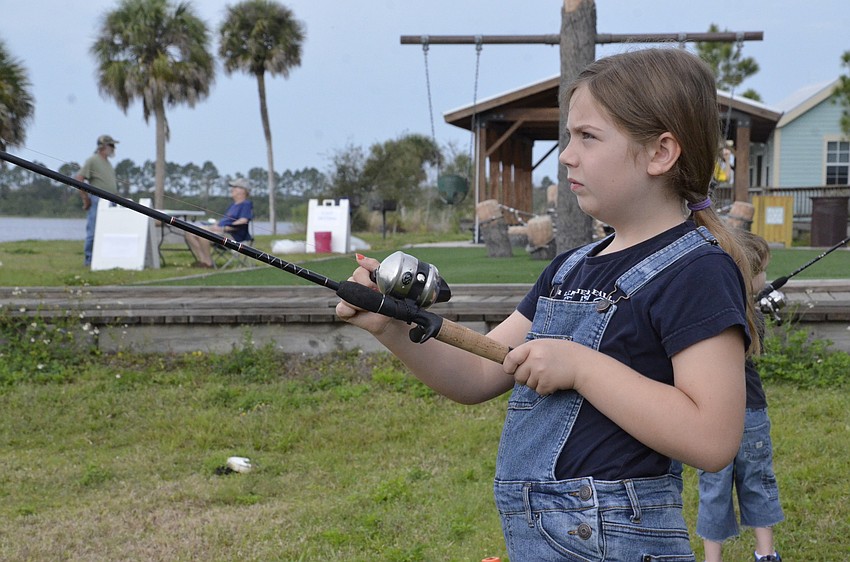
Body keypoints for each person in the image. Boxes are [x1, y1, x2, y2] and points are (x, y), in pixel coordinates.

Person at [336, 47, 760, 561]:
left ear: (659, 153)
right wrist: (391, 327)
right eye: (568, 136)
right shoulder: (570, 267)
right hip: (540, 538)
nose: (566, 154)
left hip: (620, 542)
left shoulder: (698, 271)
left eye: (587, 136)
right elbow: (478, 373)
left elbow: (713, 438)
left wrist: (581, 368)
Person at [695, 229, 783, 562]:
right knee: (757, 480)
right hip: (750, 412)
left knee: (713, 488)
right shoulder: (750, 314)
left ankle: (712, 558)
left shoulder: (707, 309)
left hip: (712, 413)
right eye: (762, 271)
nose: (766, 277)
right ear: (747, 272)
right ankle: (766, 553)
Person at [184, 178, 253, 267]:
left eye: (235, 187)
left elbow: (243, 221)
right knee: (189, 232)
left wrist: (223, 228)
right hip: (220, 232)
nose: (232, 189)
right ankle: (203, 261)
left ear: (243, 191)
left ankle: (208, 263)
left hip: (233, 237)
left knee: (203, 233)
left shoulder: (245, 204)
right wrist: (215, 225)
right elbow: (225, 220)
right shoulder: (233, 205)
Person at [75, 134, 118, 267]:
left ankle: (105, 258)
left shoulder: (108, 163)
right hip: (98, 200)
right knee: (93, 231)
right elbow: (79, 178)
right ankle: (89, 260)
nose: (113, 148)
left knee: (109, 231)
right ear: (104, 146)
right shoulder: (92, 160)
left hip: (112, 201)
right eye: (111, 145)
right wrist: (85, 198)